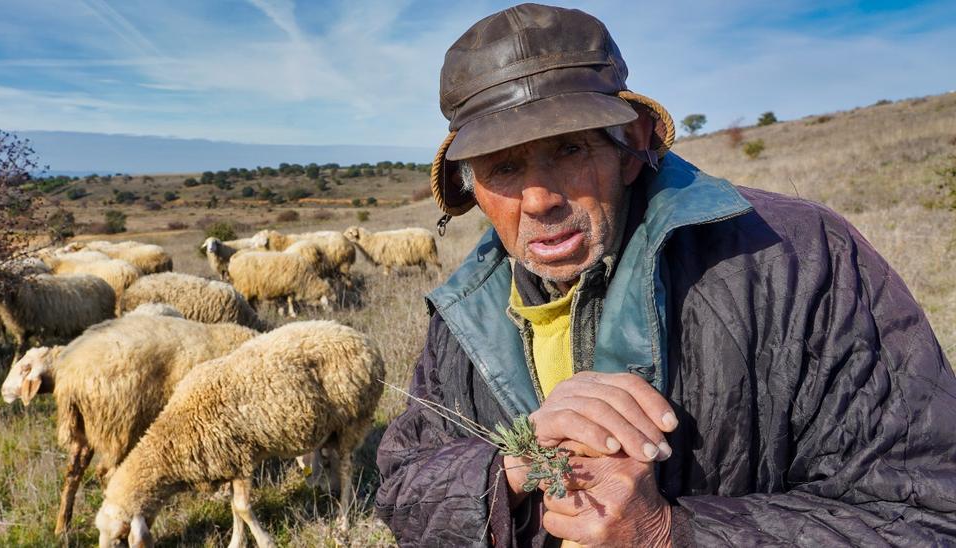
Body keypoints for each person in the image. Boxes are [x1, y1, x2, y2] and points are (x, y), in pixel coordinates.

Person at [374, 3, 956, 546]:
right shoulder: (465, 311)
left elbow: (925, 514)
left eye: (570, 149)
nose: (537, 199)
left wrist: (667, 532)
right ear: (471, 185)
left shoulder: (797, 259)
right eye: (503, 166)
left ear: (631, 145)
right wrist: (512, 465)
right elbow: (401, 487)